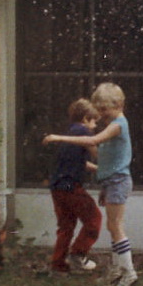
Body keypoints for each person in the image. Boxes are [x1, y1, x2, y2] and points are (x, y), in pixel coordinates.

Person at [44, 82, 138, 286]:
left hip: (119, 181)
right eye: (100, 110)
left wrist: (59, 137)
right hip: (111, 181)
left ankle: (128, 272)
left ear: (119, 104)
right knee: (113, 227)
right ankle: (118, 270)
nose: (102, 114)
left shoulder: (118, 125)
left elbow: (94, 140)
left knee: (115, 226)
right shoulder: (114, 124)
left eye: (104, 109)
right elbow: (103, 157)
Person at [44, 97, 102, 274]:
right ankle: (78, 255)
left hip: (57, 187)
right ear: (85, 119)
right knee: (94, 219)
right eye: (94, 122)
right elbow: (98, 154)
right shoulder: (84, 133)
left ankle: (58, 264)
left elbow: (79, 162)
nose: (95, 127)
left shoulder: (69, 135)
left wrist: (98, 170)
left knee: (66, 227)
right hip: (72, 187)